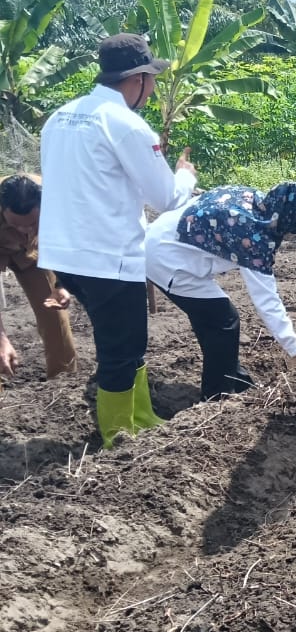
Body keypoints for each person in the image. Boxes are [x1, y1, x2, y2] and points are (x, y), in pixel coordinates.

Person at [38, 33, 198, 448]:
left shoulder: (60, 117)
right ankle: (117, 435)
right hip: (108, 255)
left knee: (124, 339)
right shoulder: (126, 124)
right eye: (152, 79)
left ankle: (141, 415)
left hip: (65, 255)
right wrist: (186, 175)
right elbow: (164, 197)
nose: (153, 88)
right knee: (121, 349)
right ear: (138, 79)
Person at [145, 182, 296, 400]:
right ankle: (217, 396)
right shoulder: (253, 237)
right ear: (291, 218)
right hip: (167, 259)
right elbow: (267, 300)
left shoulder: (253, 199)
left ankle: (237, 382)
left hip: (163, 238)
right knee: (223, 321)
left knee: (215, 320)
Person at [0, 173, 76, 380]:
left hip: (33, 253)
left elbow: (66, 240)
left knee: (54, 312)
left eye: (32, 223)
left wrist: (61, 284)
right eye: (16, 224)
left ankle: (63, 381)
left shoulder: (58, 201)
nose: (25, 229)